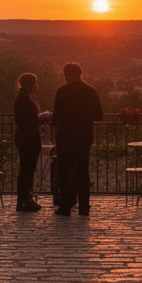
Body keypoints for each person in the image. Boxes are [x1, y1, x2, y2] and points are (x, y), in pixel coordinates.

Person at [50, 62, 104, 216]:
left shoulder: (62, 91)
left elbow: (56, 118)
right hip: (85, 137)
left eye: (65, 74)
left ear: (69, 74)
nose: (64, 77)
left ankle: (65, 206)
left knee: (64, 172)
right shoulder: (91, 90)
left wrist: (55, 138)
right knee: (83, 171)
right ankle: (84, 207)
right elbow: (99, 116)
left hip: (66, 137)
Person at [13, 73, 51, 212]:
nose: (37, 85)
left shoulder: (23, 100)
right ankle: (24, 200)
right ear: (28, 84)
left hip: (27, 138)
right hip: (28, 139)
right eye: (35, 82)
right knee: (27, 170)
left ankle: (26, 199)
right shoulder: (24, 101)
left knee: (28, 170)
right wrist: (45, 116)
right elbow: (30, 120)